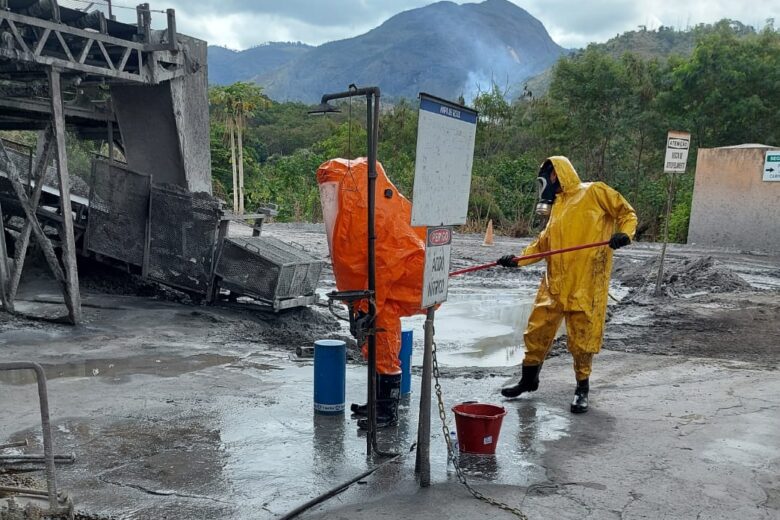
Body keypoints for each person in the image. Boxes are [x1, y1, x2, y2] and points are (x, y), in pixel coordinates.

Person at [496, 156, 637, 413]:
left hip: (586, 282)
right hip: (554, 283)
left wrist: (624, 234)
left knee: (582, 340)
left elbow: (626, 213)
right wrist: (517, 260)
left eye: (547, 177)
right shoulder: (558, 206)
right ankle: (529, 381)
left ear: (557, 174)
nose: (546, 185)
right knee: (536, 331)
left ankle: (582, 388)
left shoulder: (594, 192)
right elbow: (543, 244)